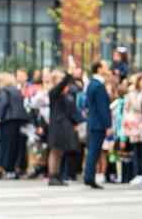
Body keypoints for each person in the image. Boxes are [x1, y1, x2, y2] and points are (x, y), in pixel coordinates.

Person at [47, 70, 82, 186]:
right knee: (55, 151)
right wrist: (69, 74)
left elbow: (72, 111)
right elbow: (62, 84)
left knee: (60, 152)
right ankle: (52, 175)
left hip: (65, 127)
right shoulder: (54, 93)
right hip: (57, 126)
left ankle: (58, 175)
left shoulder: (66, 95)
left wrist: (78, 122)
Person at [84, 61, 113, 189]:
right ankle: (89, 177)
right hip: (98, 124)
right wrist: (108, 125)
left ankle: (89, 176)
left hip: (93, 122)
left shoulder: (92, 84)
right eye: (105, 67)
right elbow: (103, 108)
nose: (107, 69)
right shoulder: (98, 85)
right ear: (99, 69)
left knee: (93, 151)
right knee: (94, 151)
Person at [0, 73, 29, 180]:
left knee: (7, 146)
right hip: (20, 120)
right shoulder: (16, 90)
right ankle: (15, 169)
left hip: (8, 120)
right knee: (16, 146)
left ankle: (8, 169)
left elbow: (3, 104)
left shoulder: (4, 90)